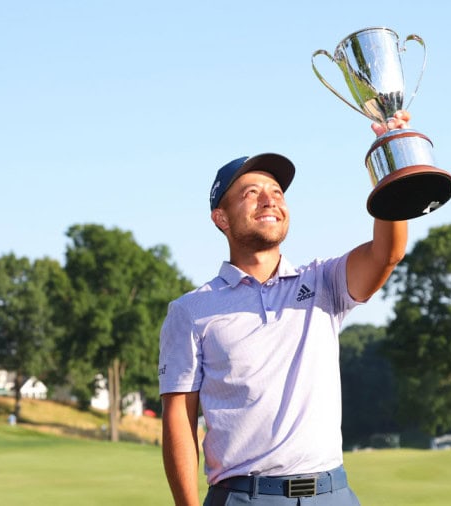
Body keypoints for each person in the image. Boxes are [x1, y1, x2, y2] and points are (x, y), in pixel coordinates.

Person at [159, 111, 412, 505]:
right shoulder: (191, 310)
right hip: (245, 497)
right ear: (220, 218)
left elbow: (387, 252)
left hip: (334, 493)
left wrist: (392, 154)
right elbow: (179, 419)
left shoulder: (323, 281)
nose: (270, 200)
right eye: (251, 193)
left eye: (277, 192)